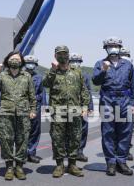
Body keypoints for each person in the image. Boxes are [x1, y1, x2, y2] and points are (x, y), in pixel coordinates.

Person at [92, 37, 134, 176]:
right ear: (106, 48)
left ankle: (121, 161)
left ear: (120, 47)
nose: (113, 48)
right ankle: (111, 163)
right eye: (110, 46)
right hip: (107, 99)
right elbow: (95, 81)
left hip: (125, 100)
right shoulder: (100, 63)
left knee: (125, 132)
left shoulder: (127, 64)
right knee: (108, 132)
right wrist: (103, 70)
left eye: (116, 46)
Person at [43, 46, 90, 178]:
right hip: (57, 110)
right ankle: (59, 165)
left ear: (68, 55)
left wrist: (85, 106)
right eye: (60, 54)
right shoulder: (52, 72)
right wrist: (53, 70)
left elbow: (83, 90)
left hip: (75, 110)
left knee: (75, 137)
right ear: (55, 56)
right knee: (58, 138)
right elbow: (45, 84)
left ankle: (72, 164)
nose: (62, 56)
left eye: (65, 54)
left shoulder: (77, 72)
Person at [0, 51, 36, 180]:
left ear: (21, 61)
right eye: (12, 58)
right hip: (6, 112)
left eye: (17, 59)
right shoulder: (2, 75)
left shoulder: (26, 76)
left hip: (23, 113)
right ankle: (9, 167)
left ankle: (19, 167)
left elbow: (31, 95)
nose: (15, 61)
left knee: (22, 140)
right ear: (7, 60)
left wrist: (33, 110)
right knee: (6, 140)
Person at [69, 53, 94, 162]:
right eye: (73, 61)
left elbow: (88, 92)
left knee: (83, 130)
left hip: (82, 106)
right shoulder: (65, 74)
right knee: (69, 130)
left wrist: (90, 107)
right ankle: (69, 151)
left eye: (78, 61)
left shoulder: (85, 75)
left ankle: (80, 152)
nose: (76, 63)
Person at [24, 55, 47, 164]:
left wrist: (44, 106)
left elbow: (42, 92)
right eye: (28, 63)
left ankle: (31, 153)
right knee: (22, 130)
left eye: (32, 63)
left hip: (36, 106)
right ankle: (22, 153)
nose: (30, 65)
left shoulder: (39, 77)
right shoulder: (20, 76)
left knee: (35, 130)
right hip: (23, 106)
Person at [119, 47, 134, 161]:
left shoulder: (132, 69)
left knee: (127, 129)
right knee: (114, 129)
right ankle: (116, 151)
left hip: (128, 103)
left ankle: (126, 150)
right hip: (114, 103)